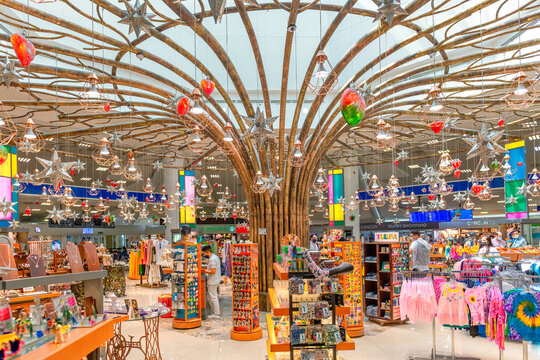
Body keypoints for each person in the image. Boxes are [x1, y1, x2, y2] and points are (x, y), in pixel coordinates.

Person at [202, 245, 221, 319]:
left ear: (208, 252)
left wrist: (204, 271)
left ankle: (216, 313)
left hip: (213, 280)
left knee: (213, 297)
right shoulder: (215, 257)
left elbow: (213, 271)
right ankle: (214, 312)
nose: (204, 255)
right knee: (213, 296)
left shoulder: (212, 259)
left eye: (204, 253)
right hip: (214, 280)